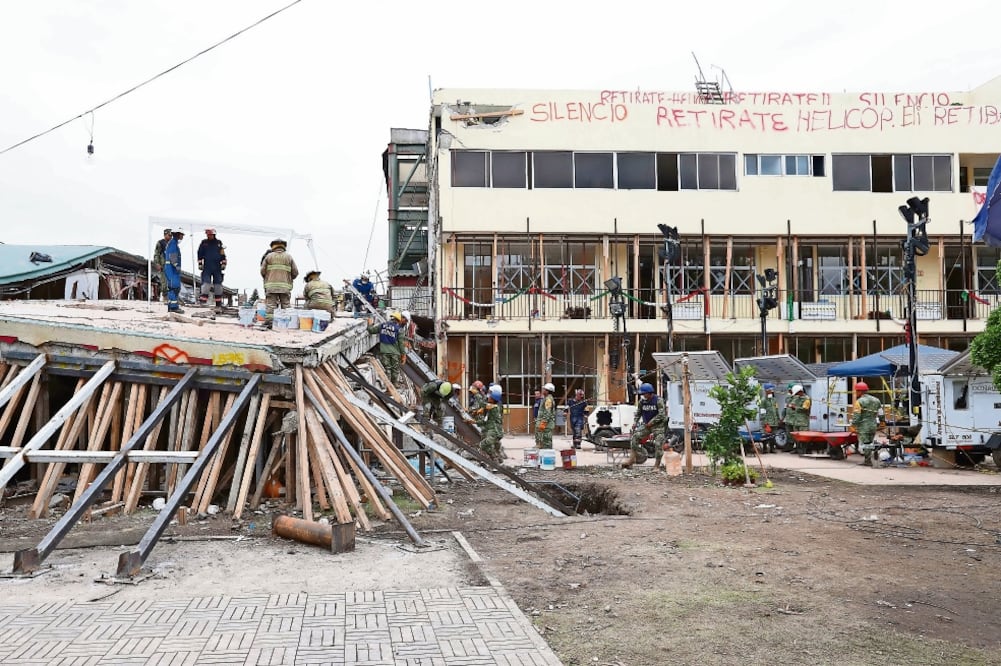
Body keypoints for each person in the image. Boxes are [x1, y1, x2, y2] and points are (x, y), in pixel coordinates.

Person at [624, 382, 667, 469]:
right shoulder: (642, 401)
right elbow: (638, 413)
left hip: (658, 426)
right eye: (642, 394)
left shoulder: (658, 400)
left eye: (644, 393)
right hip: (647, 425)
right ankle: (632, 459)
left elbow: (662, 414)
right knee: (634, 438)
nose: (643, 395)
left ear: (650, 393)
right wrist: (635, 422)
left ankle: (656, 466)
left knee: (658, 444)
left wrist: (652, 422)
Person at [260, 239, 299, 328]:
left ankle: (269, 323)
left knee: (270, 306)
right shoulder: (289, 257)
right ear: (284, 247)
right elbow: (295, 272)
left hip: (271, 287)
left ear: (273, 246)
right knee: (286, 305)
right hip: (285, 287)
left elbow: (262, 271)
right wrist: (288, 279)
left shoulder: (268, 257)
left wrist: (268, 278)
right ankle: (288, 324)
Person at [368, 312, 406, 385]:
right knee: (395, 369)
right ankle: (394, 384)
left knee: (387, 368)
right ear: (398, 320)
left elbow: (371, 330)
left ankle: (388, 386)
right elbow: (401, 344)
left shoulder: (382, 326)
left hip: (384, 351)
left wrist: (370, 324)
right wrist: (403, 355)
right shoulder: (399, 330)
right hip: (395, 352)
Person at [851, 382, 884, 466]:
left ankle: (868, 461)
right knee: (870, 442)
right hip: (873, 424)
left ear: (860, 391)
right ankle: (869, 459)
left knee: (865, 443)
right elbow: (881, 412)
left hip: (863, 426)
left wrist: (853, 425)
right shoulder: (876, 400)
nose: (856, 393)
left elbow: (857, 415)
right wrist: (882, 422)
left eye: (856, 391)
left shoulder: (859, 401)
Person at [197, 228, 227, 311]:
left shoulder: (219, 243)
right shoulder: (204, 243)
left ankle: (218, 304)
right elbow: (200, 253)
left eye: (210, 234)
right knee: (206, 284)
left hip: (217, 267)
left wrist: (224, 263)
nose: (208, 236)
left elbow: (223, 254)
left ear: (214, 235)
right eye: (207, 235)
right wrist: (200, 263)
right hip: (207, 266)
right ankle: (203, 302)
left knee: (218, 286)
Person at [477, 385, 505, 463]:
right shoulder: (495, 405)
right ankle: (498, 461)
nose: (488, 396)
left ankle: (495, 462)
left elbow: (482, 403)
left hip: (494, 431)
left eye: (490, 394)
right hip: (494, 430)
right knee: (495, 447)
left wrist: (477, 394)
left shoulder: (494, 406)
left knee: (485, 445)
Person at [163, 230, 185, 313]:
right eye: (182, 235)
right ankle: (173, 307)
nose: (182, 237)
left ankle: (171, 306)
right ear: (178, 235)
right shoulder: (173, 243)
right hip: (172, 269)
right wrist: (176, 265)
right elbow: (172, 256)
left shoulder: (173, 243)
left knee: (173, 287)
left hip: (171, 269)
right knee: (174, 288)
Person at [758, 383, 782, 453]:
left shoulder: (774, 400)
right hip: (767, 421)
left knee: (773, 436)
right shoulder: (763, 400)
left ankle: (772, 448)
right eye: (771, 389)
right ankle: (765, 448)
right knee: (766, 435)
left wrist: (778, 419)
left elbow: (776, 409)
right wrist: (765, 422)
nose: (772, 391)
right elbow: (762, 412)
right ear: (766, 390)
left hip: (774, 421)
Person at [152, 228, 172, 302]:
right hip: (163, 265)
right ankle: (165, 297)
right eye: (169, 235)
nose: (170, 237)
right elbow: (156, 254)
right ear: (165, 235)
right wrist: (157, 263)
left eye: (171, 235)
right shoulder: (160, 243)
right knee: (164, 282)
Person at [534, 383, 556, 449]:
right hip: (543, 423)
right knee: (542, 441)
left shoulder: (548, 400)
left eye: (544, 389)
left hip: (546, 425)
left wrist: (543, 423)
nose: (543, 390)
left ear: (548, 391)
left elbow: (547, 413)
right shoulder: (545, 398)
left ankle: (547, 455)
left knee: (546, 442)